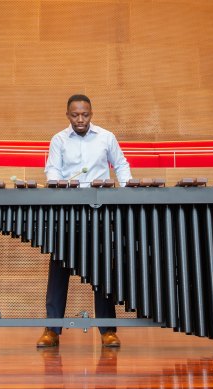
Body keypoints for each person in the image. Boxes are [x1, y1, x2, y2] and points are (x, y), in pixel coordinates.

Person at [37, 94, 132, 348]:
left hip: (99, 211)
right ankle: (52, 329)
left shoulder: (106, 137)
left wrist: (126, 190)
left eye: (85, 114)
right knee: (59, 270)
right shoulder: (59, 140)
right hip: (67, 212)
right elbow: (52, 170)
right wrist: (58, 184)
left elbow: (121, 165)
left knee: (102, 272)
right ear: (68, 115)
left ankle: (108, 330)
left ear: (91, 113)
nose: (81, 119)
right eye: (75, 115)